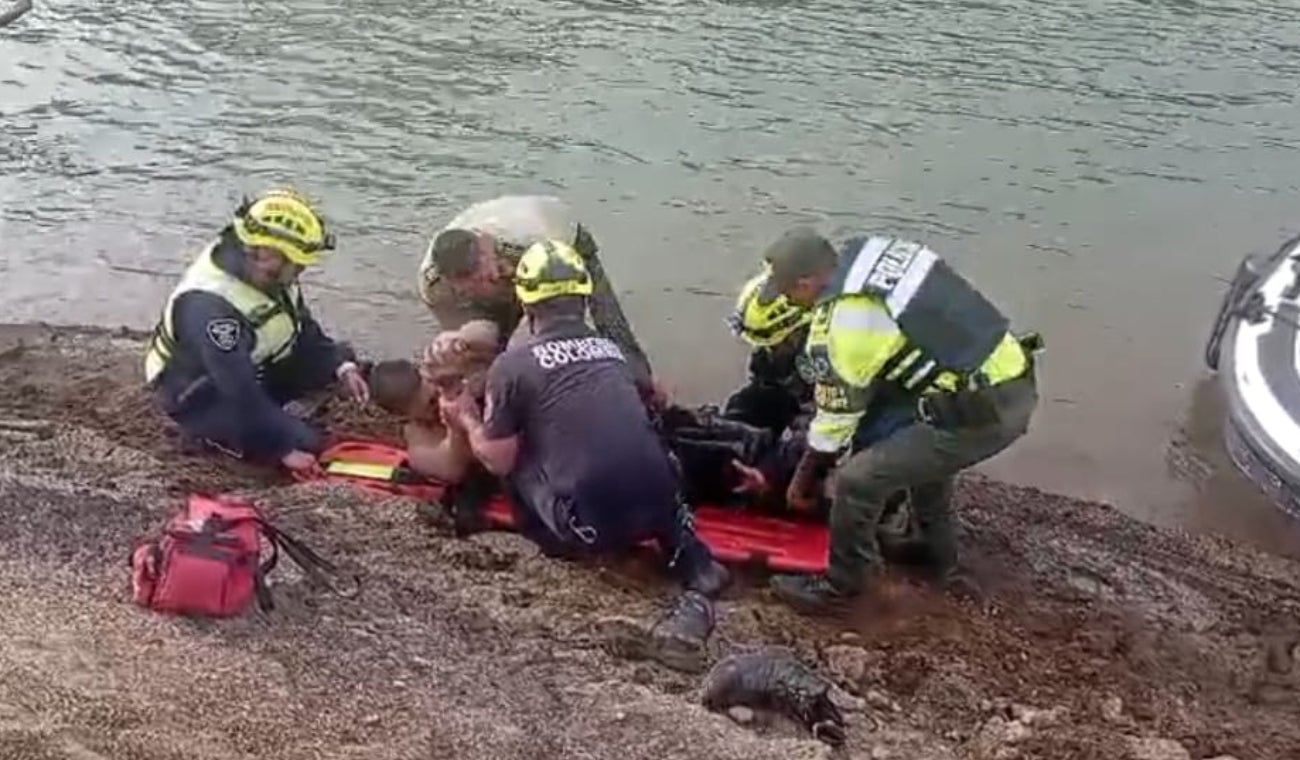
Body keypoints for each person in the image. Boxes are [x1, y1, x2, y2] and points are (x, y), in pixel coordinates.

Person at [438, 238, 728, 672]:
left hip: (591, 529)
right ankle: (690, 557)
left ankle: (551, 540)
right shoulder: (614, 353)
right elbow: (654, 398)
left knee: (514, 453)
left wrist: (466, 420)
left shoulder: (512, 366)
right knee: (639, 440)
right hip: (662, 503)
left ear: (526, 300)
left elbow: (497, 459)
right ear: (583, 297)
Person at [753, 228, 1041, 614]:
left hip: (985, 409)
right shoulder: (872, 252)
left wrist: (803, 480)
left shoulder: (849, 318)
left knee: (858, 480)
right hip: (1006, 376)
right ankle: (933, 550)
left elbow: (836, 422)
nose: (789, 300)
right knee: (921, 449)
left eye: (788, 292)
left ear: (806, 283)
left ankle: (847, 588)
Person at [142, 188, 369, 472]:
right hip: (200, 393)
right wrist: (281, 448)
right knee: (305, 444)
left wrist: (341, 366)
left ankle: (283, 411)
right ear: (262, 251)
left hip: (254, 362)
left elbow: (301, 326)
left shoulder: (267, 275)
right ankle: (239, 435)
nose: (300, 270)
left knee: (338, 356)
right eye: (295, 262)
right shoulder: (212, 308)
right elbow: (238, 387)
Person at [416, 195, 663, 402]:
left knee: (607, 322)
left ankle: (647, 393)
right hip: (511, 256)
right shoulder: (434, 286)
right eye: (469, 283)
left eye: (483, 272)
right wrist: (458, 343)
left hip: (564, 244)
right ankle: (506, 404)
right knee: (482, 354)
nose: (483, 282)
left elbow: (547, 322)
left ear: (486, 244)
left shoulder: (531, 243)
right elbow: (474, 337)